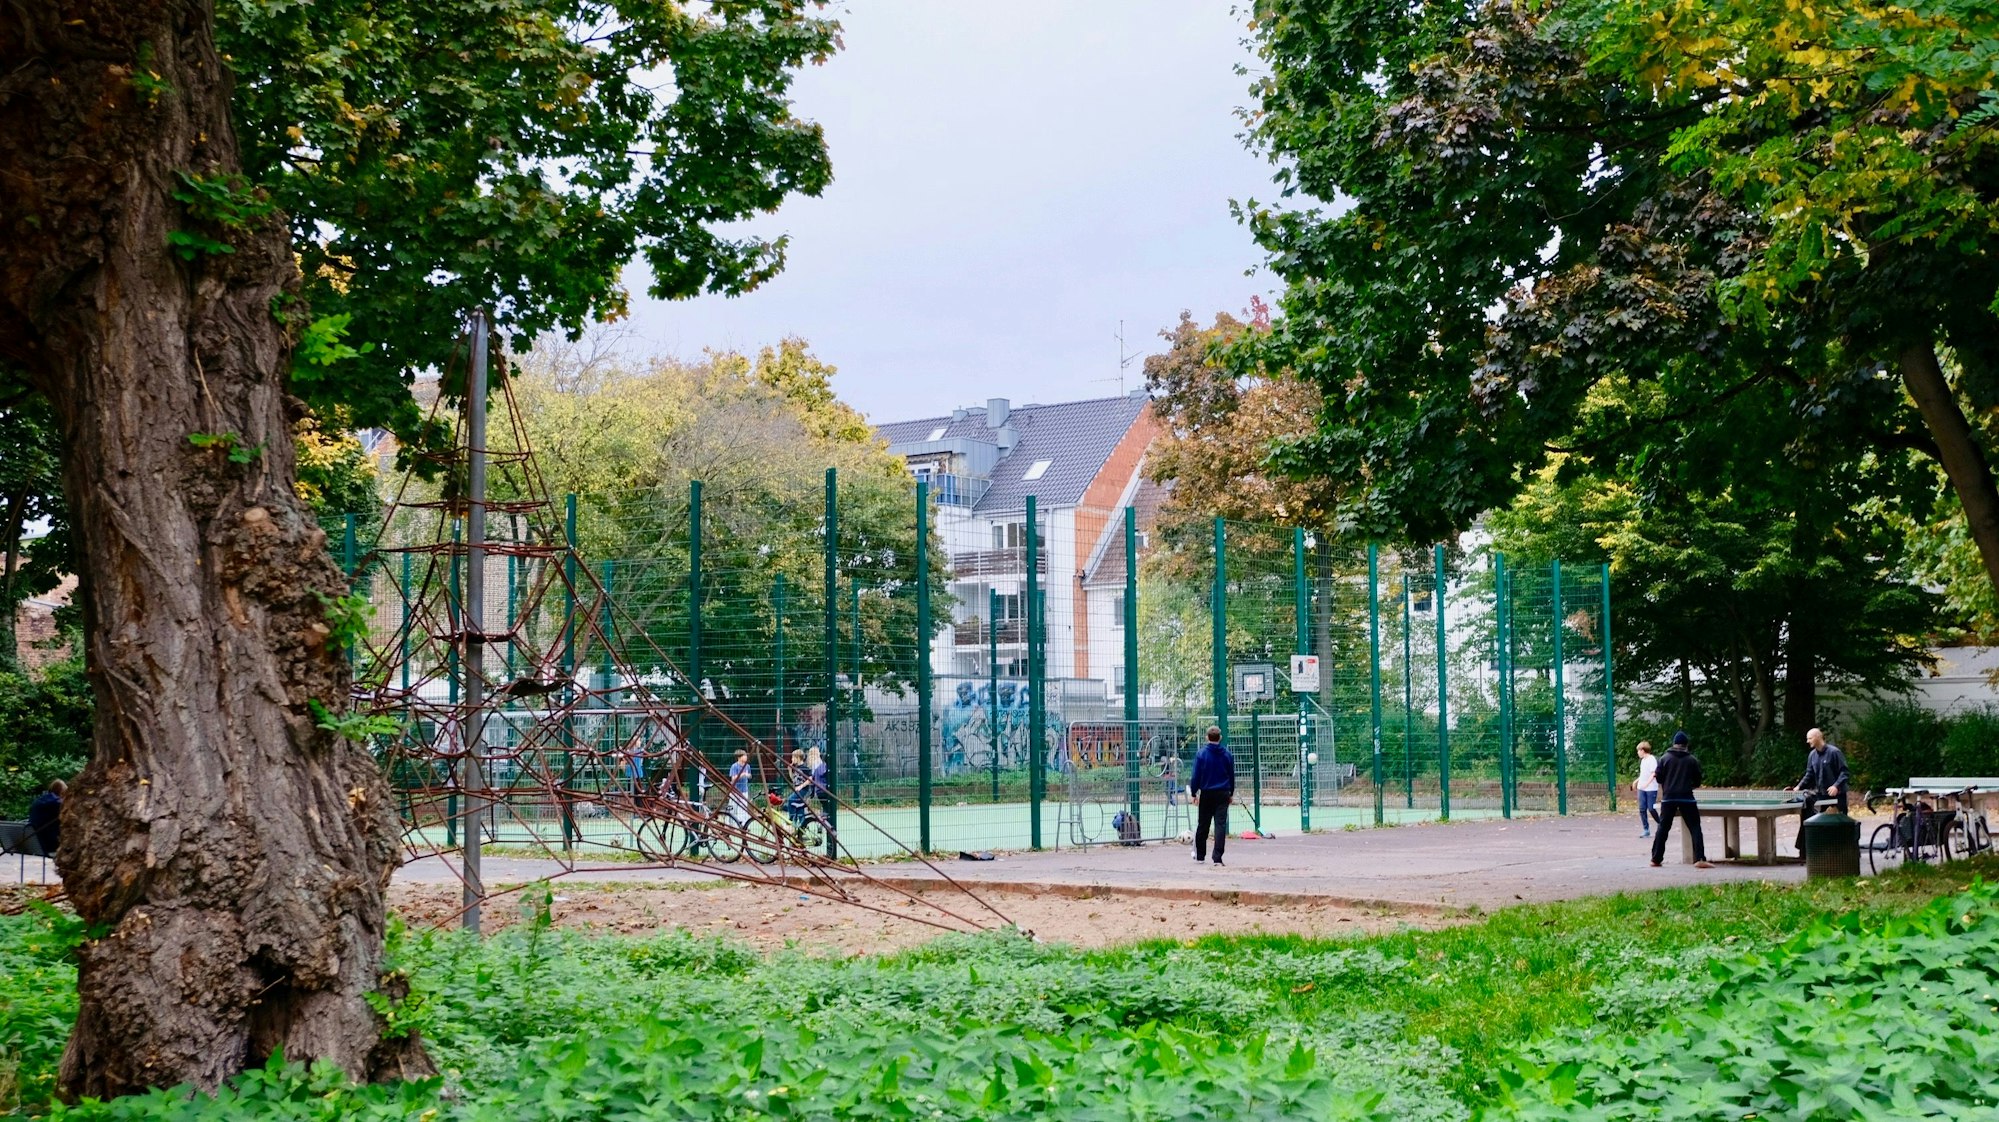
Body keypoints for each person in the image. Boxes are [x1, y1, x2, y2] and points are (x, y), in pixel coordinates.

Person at [1650, 731, 1714, 868]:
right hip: (1687, 798)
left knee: (1663, 828)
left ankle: (1656, 858)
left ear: (1674, 743)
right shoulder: (1692, 760)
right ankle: (1700, 858)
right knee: (1695, 827)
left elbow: (1659, 777)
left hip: (1668, 798)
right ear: (1686, 745)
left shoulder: (1664, 759)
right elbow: (1697, 781)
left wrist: (1667, 784)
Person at [1789, 727, 1850, 853]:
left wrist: (1836, 786)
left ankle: (1844, 851)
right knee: (1815, 818)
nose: (1807, 741)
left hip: (1837, 796)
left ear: (1818, 737)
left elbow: (1844, 772)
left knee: (1839, 824)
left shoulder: (1834, 752)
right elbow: (1809, 774)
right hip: (1821, 794)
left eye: (1810, 738)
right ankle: (1812, 850)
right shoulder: (1812, 755)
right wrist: (1798, 787)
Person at [1188, 726, 1235, 867]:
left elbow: (1196, 775)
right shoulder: (1227, 754)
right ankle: (1217, 858)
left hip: (1207, 793)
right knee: (1220, 824)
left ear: (1207, 737)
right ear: (1220, 737)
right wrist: (1231, 792)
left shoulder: (1201, 754)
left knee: (1203, 824)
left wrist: (1194, 793)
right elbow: (1231, 775)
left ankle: (1200, 855)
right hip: (1223, 792)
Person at [27, 778, 63, 857]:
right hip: (49, 844)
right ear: (62, 792)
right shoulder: (57, 803)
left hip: (35, 841)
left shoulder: (39, 800)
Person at [1633, 741, 1660, 839]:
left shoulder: (1651, 759)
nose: (1638, 753)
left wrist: (1646, 784)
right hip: (1641, 788)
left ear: (1643, 750)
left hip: (1651, 788)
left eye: (1638, 750)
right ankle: (1646, 829)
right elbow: (1643, 774)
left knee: (1651, 808)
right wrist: (1636, 781)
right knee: (1642, 808)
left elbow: (1653, 774)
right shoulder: (1643, 761)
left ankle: (1661, 823)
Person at [727, 748, 752, 828]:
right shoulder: (734, 766)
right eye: (744, 756)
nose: (746, 757)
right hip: (735, 791)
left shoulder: (747, 766)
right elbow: (733, 778)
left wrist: (748, 775)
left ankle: (743, 825)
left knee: (743, 808)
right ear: (739, 757)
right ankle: (731, 825)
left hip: (744, 790)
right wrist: (742, 775)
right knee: (733, 808)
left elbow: (750, 775)